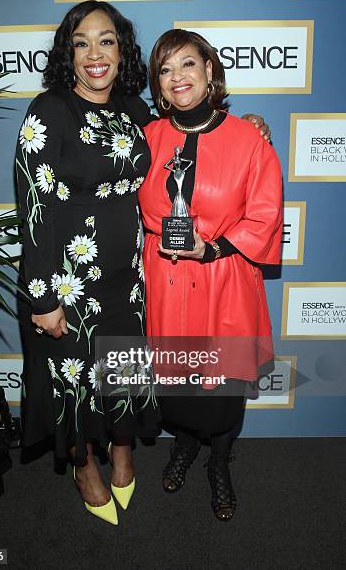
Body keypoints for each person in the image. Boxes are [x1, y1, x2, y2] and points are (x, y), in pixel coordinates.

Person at [15, 0, 272, 526]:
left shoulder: (135, 112)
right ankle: (87, 468)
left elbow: (203, 138)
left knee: (129, 376)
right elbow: (32, 206)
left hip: (131, 279)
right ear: (69, 51)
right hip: (69, 280)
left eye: (106, 40)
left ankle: (132, 454)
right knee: (74, 385)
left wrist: (247, 125)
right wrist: (42, 296)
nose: (94, 53)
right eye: (81, 42)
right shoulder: (49, 111)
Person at [138, 29, 282, 521]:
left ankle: (219, 462)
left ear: (210, 72)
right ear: (157, 84)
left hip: (224, 279)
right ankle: (184, 446)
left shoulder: (248, 138)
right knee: (176, 382)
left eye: (188, 65)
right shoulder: (147, 138)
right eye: (165, 69)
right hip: (164, 279)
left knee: (220, 391)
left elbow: (264, 216)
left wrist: (214, 246)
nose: (178, 77)